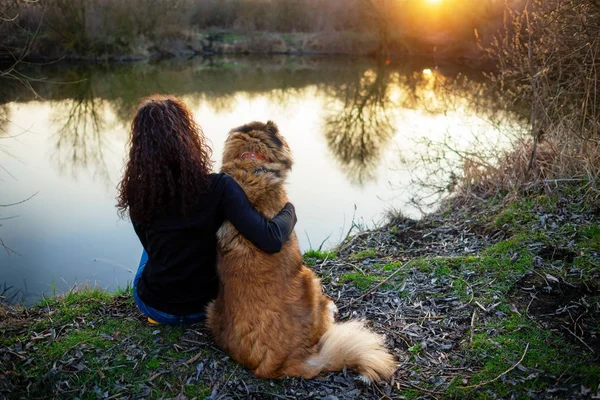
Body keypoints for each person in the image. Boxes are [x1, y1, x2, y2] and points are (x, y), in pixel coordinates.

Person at [116, 95, 297, 325]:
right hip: (207, 306)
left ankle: (163, 308)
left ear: (139, 148)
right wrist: (289, 210)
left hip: (156, 306)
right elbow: (270, 239)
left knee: (154, 247)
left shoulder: (138, 194)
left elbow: (149, 246)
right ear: (187, 138)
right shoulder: (219, 187)